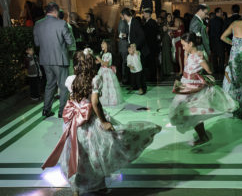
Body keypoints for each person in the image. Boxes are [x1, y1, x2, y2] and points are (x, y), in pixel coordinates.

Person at [41, 50, 161, 196]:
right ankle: (98, 184)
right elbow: (95, 102)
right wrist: (103, 121)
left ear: (76, 66)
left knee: (77, 154)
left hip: (73, 124)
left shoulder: (71, 79)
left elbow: (71, 100)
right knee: (95, 154)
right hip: (90, 122)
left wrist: (72, 113)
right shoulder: (95, 79)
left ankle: (77, 188)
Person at [169, 32, 237, 146]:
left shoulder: (198, 55)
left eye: (184, 45)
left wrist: (203, 60)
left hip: (193, 88)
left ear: (190, 44)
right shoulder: (190, 54)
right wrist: (185, 54)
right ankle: (202, 135)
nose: (183, 47)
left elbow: (209, 70)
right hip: (186, 85)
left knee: (193, 113)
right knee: (187, 112)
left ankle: (203, 136)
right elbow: (186, 66)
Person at [33, 2, 73, 118]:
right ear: (56, 11)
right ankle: (62, 111)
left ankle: (46, 110)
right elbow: (70, 42)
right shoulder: (61, 24)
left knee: (49, 84)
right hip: (59, 59)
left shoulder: (38, 24)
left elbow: (37, 43)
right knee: (63, 86)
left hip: (45, 60)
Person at [96, 40, 124, 106]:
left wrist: (99, 59)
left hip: (107, 72)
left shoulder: (109, 54)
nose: (101, 44)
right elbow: (99, 62)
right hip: (101, 71)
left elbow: (106, 64)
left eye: (103, 43)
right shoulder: (102, 53)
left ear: (108, 45)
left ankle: (110, 100)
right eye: (101, 43)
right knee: (102, 86)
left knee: (108, 86)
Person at [142, 8, 160, 81]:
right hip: (149, 45)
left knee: (152, 62)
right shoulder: (147, 22)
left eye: (144, 13)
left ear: (148, 14)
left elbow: (151, 35)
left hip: (151, 45)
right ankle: (151, 76)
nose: (143, 14)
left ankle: (153, 77)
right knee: (150, 62)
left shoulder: (151, 22)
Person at [209, 7, 225, 74]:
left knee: (214, 56)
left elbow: (209, 31)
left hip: (212, 41)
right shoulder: (220, 20)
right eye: (221, 12)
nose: (222, 13)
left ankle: (215, 70)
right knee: (221, 56)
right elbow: (221, 31)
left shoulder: (211, 20)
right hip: (219, 40)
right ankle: (221, 70)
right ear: (217, 13)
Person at [118, 13, 130, 84]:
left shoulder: (121, 22)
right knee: (125, 62)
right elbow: (122, 34)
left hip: (122, 45)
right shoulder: (123, 22)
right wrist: (127, 35)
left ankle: (125, 78)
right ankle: (125, 78)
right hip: (124, 45)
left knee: (124, 62)